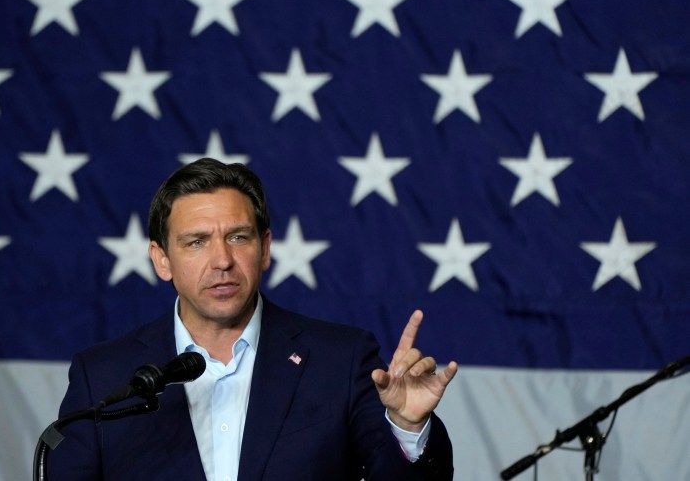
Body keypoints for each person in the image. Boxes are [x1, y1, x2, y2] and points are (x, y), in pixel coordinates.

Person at [49, 158, 457, 480]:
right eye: (197, 242)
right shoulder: (102, 378)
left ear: (264, 249)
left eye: (238, 237)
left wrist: (406, 425)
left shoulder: (341, 359)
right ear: (161, 260)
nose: (222, 260)